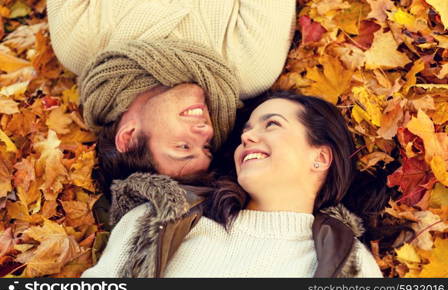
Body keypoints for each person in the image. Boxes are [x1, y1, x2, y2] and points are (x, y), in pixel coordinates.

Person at [81, 91, 387, 277]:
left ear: (319, 157)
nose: (247, 136)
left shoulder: (350, 264)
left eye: (272, 124)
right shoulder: (159, 217)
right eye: (247, 129)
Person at [46, 0, 297, 192]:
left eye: (184, 146)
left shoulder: (78, 44)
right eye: (207, 146)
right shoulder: (250, 67)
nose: (205, 131)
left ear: (129, 137)